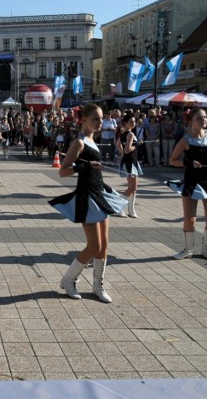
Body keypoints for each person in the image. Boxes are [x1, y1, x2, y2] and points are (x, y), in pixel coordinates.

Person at [48, 104, 128, 303]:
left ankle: (97, 285)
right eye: (95, 119)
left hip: (99, 193)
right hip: (87, 197)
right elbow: (63, 171)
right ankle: (68, 280)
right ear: (83, 120)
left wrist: (95, 169)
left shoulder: (93, 138)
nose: (100, 122)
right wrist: (83, 166)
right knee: (94, 246)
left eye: (101, 119)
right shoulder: (79, 142)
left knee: (104, 246)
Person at [167, 108, 207, 261]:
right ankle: (188, 249)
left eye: (205, 117)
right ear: (191, 122)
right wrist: (188, 163)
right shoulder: (185, 140)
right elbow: (172, 160)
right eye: (199, 118)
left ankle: (206, 249)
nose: (203, 120)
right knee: (190, 219)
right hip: (191, 182)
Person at [116, 114, 142, 218]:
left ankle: (131, 210)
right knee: (133, 187)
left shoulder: (123, 133)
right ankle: (118, 206)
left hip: (130, 162)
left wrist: (122, 154)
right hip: (130, 162)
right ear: (125, 123)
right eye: (131, 121)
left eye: (134, 121)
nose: (133, 123)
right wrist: (136, 144)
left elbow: (118, 144)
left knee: (132, 188)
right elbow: (127, 149)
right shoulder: (130, 134)